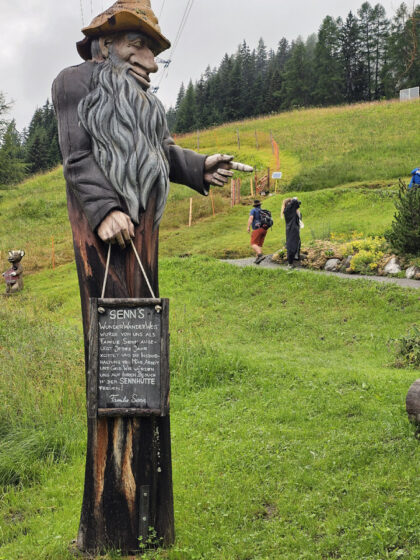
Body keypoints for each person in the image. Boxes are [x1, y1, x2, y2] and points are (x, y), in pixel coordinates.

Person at [51, 0, 253, 552]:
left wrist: (195, 166)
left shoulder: (139, 99)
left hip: (142, 238)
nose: (152, 63)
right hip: (104, 244)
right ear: (108, 41)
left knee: (142, 328)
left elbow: (155, 150)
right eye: (141, 47)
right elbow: (76, 155)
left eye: (155, 52)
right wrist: (101, 208)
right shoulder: (74, 83)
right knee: (112, 331)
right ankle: (109, 515)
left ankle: (146, 507)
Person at [281, 197, 302, 269]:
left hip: (294, 230)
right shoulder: (288, 210)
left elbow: (296, 204)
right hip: (292, 230)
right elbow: (293, 203)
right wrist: (294, 199)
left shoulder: (290, 210)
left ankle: (292, 261)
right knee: (291, 246)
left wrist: (295, 201)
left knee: (296, 244)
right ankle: (290, 263)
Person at [247, 200, 267, 264]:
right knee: (259, 245)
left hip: (257, 229)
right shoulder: (263, 211)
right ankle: (258, 259)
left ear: (254, 205)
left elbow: (251, 218)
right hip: (264, 229)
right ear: (260, 205)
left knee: (253, 244)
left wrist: (248, 226)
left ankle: (260, 255)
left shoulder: (253, 210)